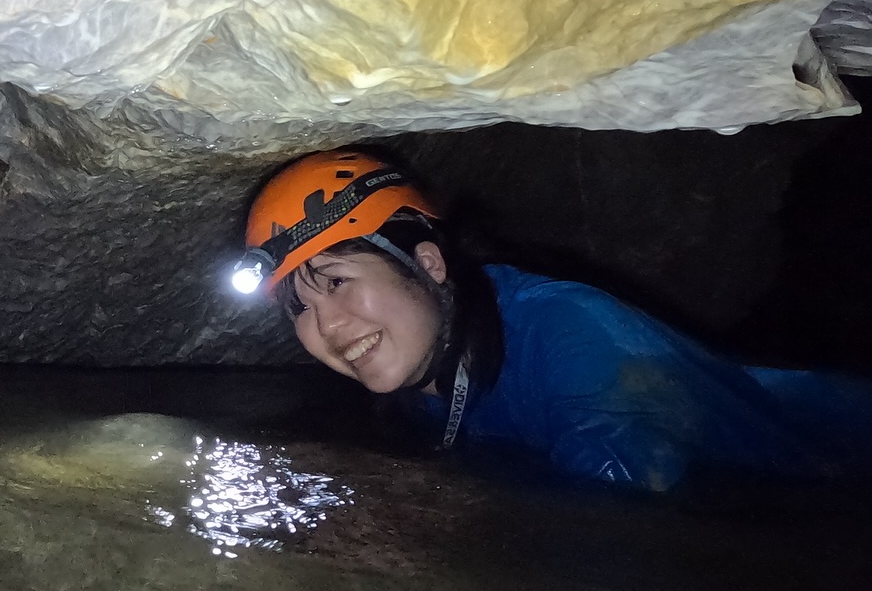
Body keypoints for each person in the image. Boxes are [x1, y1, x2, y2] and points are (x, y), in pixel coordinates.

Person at [230, 148, 872, 493]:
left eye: (337, 283)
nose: (326, 325)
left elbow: (613, 534)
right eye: (300, 308)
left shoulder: (575, 337)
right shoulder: (422, 370)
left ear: (427, 262)